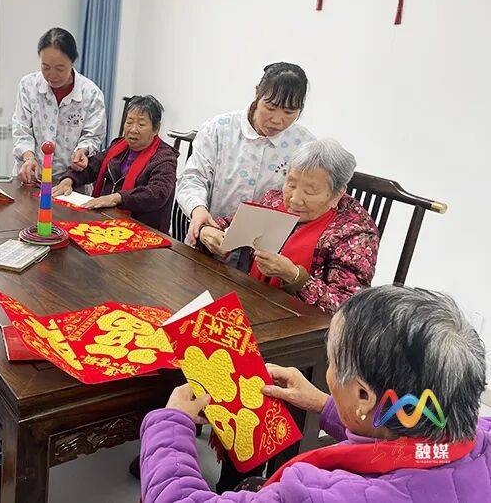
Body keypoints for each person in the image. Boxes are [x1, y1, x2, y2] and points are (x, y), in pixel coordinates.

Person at [140, 285, 491, 502]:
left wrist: (171, 424)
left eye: (333, 361)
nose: (329, 373)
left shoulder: (314, 494)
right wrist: (325, 404)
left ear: (364, 396)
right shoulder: (476, 437)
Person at [199, 139, 378, 313]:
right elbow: (229, 224)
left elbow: (348, 306)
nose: (295, 199)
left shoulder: (356, 233)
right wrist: (208, 231)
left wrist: (294, 276)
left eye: (310, 192)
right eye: (291, 184)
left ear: (337, 194)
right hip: (251, 300)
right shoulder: (275, 200)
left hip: (300, 323)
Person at [176, 62, 315, 247]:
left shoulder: (305, 145)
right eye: (270, 107)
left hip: (265, 253)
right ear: (258, 93)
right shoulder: (219, 129)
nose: (277, 120)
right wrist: (198, 210)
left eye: (289, 112)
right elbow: (193, 178)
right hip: (210, 236)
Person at [51, 95, 178, 233]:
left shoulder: (164, 158)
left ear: (156, 129)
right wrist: (69, 180)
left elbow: (157, 193)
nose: (133, 129)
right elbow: (92, 166)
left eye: (141, 124)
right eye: (129, 122)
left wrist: (117, 198)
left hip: (143, 231)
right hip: (105, 221)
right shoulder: (118, 146)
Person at [13, 27, 106, 184]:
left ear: (72, 62)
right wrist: (28, 158)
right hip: (32, 177)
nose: (52, 75)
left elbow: (93, 135)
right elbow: (22, 129)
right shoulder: (28, 86)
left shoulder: (91, 94)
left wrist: (82, 151)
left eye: (59, 68)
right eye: (45, 67)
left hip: (70, 181)